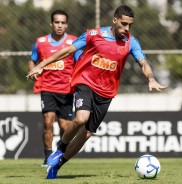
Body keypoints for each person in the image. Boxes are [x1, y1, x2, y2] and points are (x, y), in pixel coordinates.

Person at [27, 5, 167, 179]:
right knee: (80, 118)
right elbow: (68, 50)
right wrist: (41, 65)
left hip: (106, 93)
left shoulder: (131, 42)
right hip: (85, 83)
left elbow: (143, 62)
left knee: (86, 133)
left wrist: (151, 78)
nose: (126, 28)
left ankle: (58, 165)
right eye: (123, 24)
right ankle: (60, 148)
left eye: (130, 25)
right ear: (114, 20)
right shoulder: (94, 35)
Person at [28, 9, 81, 167]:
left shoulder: (73, 42)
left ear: (66, 25)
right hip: (47, 89)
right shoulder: (41, 42)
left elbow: (79, 63)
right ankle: (47, 156)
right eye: (56, 22)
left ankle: (60, 151)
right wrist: (32, 70)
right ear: (51, 23)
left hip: (66, 90)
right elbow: (32, 60)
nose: (59, 25)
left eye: (63, 23)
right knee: (48, 122)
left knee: (65, 127)